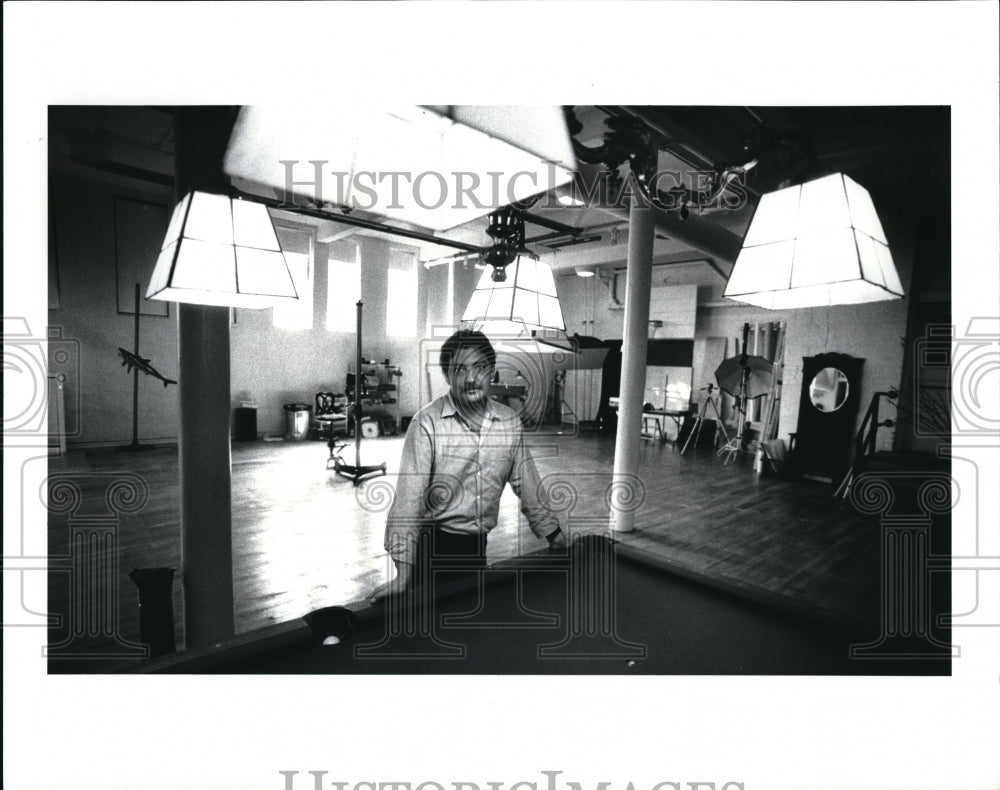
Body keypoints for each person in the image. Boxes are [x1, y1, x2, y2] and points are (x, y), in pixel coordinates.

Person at [369, 329, 566, 602]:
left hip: (475, 545)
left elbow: (527, 483)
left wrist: (553, 533)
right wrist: (403, 575)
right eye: (460, 369)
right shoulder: (427, 423)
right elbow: (408, 499)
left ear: (492, 372)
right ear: (448, 376)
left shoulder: (509, 422)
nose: (471, 378)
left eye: (480, 367)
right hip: (430, 546)